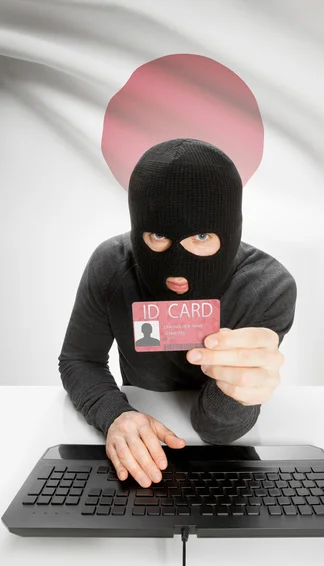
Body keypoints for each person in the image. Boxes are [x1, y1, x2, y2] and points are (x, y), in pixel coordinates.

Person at [58, 138, 297, 489]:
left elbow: (216, 430)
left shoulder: (266, 287)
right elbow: (78, 359)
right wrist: (115, 415)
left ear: (230, 231)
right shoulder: (111, 264)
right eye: (157, 235)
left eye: (201, 235)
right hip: (137, 445)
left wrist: (236, 392)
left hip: (226, 460)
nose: (176, 266)